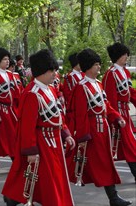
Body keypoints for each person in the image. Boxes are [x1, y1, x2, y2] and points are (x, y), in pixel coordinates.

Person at [2, 49, 75, 206]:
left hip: (53, 141)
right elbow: (28, 126)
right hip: (42, 143)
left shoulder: (50, 90)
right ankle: (14, 198)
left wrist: (65, 133)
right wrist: (31, 150)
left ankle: (14, 198)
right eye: (52, 71)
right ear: (42, 71)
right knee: (45, 179)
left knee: (48, 179)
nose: (55, 74)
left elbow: (57, 116)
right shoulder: (32, 94)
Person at [65, 48, 132, 206]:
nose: (99, 67)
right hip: (92, 132)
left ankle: (113, 197)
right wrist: (83, 136)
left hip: (103, 130)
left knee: (102, 164)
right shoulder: (82, 87)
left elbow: (106, 105)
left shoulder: (98, 84)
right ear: (88, 66)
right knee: (96, 165)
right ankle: (113, 198)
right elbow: (80, 114)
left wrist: (116, 117)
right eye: (96, 64)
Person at [102, 43, 136, 182]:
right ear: (117, 56)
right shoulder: (111, 74)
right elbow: (110, 98)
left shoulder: (125, 72)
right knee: (129, 145)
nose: (126, 57)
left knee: (126, 145)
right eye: (124, 55)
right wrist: (115, 117)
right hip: (118, 113)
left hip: (125, 112)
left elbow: (130, 92)